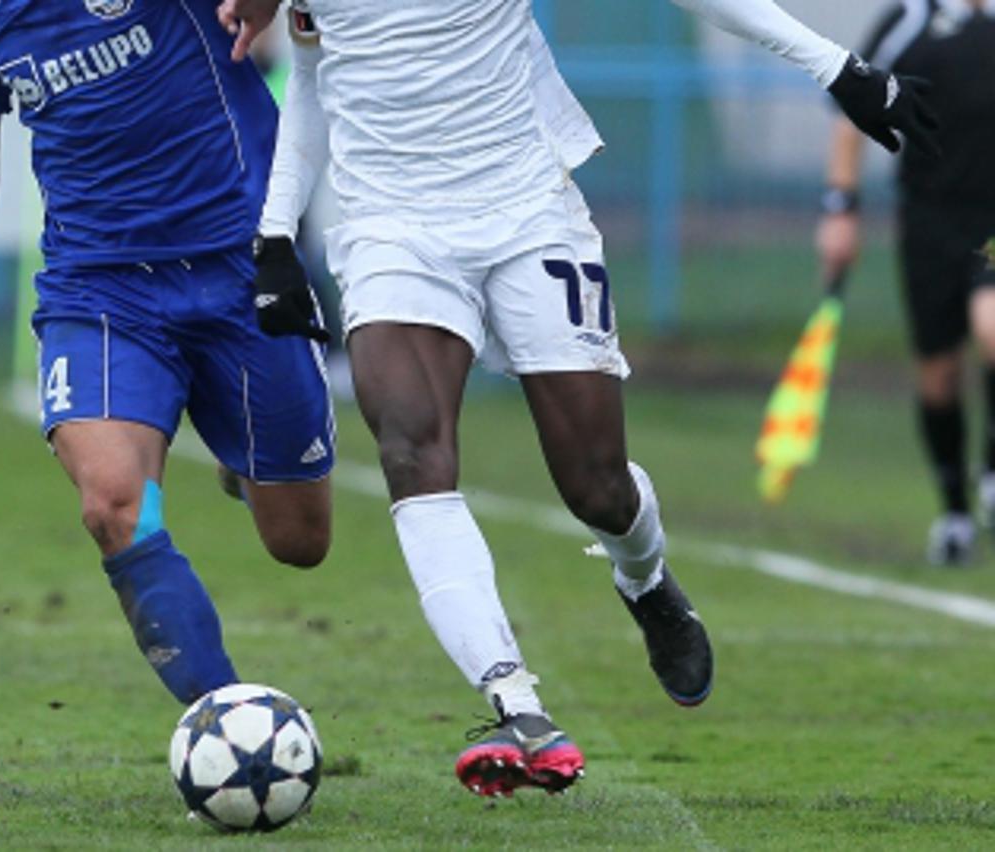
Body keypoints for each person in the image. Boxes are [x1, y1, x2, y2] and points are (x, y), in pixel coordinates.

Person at [219, 0, 939, 797]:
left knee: (595, 484)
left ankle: (646, 579)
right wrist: (277, 232)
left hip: (528, 212)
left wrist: (833, 65)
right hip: (390, 226)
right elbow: (318, 74)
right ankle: (515, 703)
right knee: (412, 452)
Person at [0, 0, 334, 708]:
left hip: (238, 263)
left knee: (300, 541)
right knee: (114, 504)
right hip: (98, 287)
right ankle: (225, 721)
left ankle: (240, 454)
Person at [816, 0, 995, 566]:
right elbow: (851, 113)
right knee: (938, 377)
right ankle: (956, 513)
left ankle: (992, 471)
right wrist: (841, 208)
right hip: (928, 221)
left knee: (994, 330)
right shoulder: (907, 23)